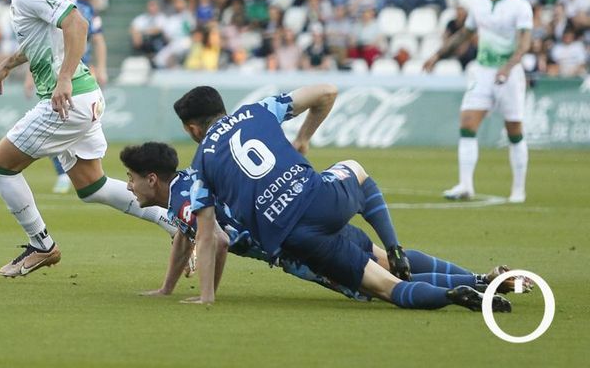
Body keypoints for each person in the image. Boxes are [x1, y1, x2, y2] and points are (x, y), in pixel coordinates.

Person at [171, 84, 512, 312]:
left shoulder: (201, 163)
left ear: (192, 129)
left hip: (294, 239)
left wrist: (206, 296)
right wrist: (303, 138)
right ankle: (395, 247)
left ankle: (450, 296)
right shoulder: (258, 110)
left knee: (387, 288)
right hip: (321, 198)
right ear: (221, 108)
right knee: (355, 168)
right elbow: (328, 91)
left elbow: (206, 232)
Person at [0, 0, 175, 278]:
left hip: (68, 102)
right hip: (83, 99)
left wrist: (64, 78)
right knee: (93, 187)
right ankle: (176, 221)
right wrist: (6, 65)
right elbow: (46, 36)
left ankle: (42, 245)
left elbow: (78, 24)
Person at [119, 142, 528, 300]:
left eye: (132, 178)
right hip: (307, 212)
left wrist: (208, 292)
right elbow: (185, 239)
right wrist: (167, 286)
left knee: (381, 283)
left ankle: (469, 291)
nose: (129, 185)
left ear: (152, 179)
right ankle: (483, 280)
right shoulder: (193, 180)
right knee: (383, 257)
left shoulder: (184, 200)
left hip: (292, 246)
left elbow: (216, 240)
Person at [423, 0, 532, 203]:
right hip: (482, 72)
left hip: (510, 75)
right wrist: (437, 55)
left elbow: (525, 43)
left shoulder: (520, 6)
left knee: (514, 130)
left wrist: (508, 67)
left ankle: (518, 190)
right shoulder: (479, 5)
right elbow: (464, 34)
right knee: (467, 123)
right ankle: (465, 185)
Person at [28, 0, 110, 195]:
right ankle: (63, 172)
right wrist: (29, 76)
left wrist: (101, 67)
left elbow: (98, 39)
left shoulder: (84, 8)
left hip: (82, 73)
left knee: (82, 124)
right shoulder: (46, 6)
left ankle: (89, 172)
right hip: (54, 74)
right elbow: (37, 45)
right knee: (55, 120)